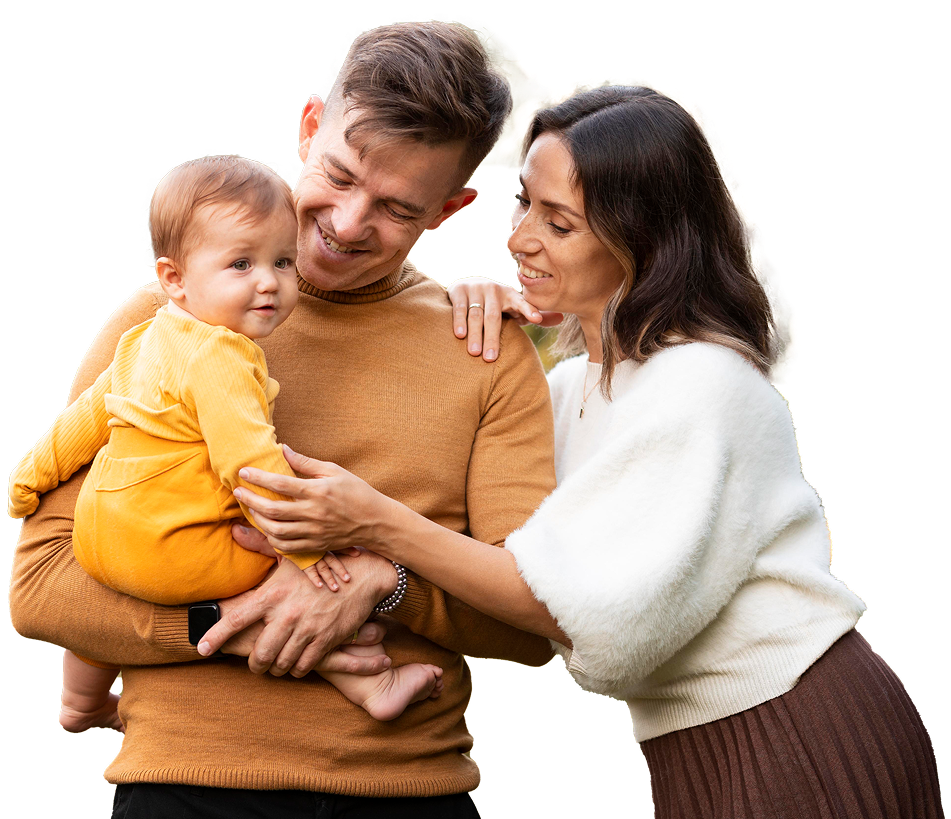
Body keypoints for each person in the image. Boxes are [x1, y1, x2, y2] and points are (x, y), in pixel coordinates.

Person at [225, 85, 944, 818]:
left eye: (559, 222)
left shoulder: (703, 385)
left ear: (642, 239)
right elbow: (485, 531)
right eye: (523, 205)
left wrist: (373, 524)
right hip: (694, 739)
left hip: (795, 721)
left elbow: (580, 614)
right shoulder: (571, 386)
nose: (519, 239)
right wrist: (455, 308)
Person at [9, 21, 558, 818]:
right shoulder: (157, 320)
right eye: (336, 175)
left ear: (450, 208)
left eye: (397, 209)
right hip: (181, 788)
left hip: (411, 793)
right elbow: (40, 589)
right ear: (308, 126)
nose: (344, 222)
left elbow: (534, 622)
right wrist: (231, 614)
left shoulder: (486, 348)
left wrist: (384, 582)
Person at [8, 153, 446, 729]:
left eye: (282, 261)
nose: (269, 282)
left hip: (99, 540)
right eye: (241, 264)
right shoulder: (223, 354)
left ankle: (82, 703)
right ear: (174, 278)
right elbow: (249, 465)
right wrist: (309, 554)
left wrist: (27, 479)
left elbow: (82, 424)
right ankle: (369, 682)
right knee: (297, 589)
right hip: (177, 549)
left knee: (118, 580)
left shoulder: (145, 336)